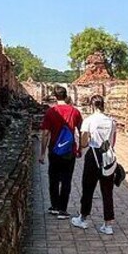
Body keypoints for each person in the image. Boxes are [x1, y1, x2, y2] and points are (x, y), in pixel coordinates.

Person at [71, 95, 117, 235]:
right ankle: (108, 224)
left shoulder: (89, 120)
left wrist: (84, 139)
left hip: (93, 154)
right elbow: (113, 141)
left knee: (88, 188)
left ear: (92, 105)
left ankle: (83, 218)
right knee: (107, 191)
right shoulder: (111, 121)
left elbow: (84, 143)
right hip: (108, 155)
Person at [40, 86, 83, 219]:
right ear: (66, 95)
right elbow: (82, 131)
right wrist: (80, 148)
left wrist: (42, 153)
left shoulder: (51, 112)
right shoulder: (75, 112)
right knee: (66, 179)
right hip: (69, 150)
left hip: (54, 149)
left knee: (53, 179)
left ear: (54, 96)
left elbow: (46, 133)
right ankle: (63, 210)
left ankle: (54, 206)